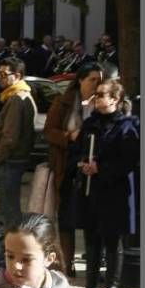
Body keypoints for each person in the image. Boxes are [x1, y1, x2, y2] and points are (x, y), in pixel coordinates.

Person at [69, 78, 139, 288]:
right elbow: (77, 150)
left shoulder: (127, 125)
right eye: (96, 94)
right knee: (91, 241)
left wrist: (101, 168)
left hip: (114, 193)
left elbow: (129, 160)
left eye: (101, 94)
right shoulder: (90, 123)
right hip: (91, 191)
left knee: (112, 242)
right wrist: (82, 164)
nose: (96, 98)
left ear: (115, 99)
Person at [43, 62, 104, 275]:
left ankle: (94, 267)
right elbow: (49, 131)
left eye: (99, 80)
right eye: (92, 80)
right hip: (67, 168)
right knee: (67, 218)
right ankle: (67, 263)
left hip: (94, 170)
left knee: (92, 219)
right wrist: (68, 136)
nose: (97, 84)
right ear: (80, 80)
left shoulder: (102, 104)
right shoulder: (64, 102)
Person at [0, 58, 36, 231]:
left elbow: (10, 138)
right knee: (8, 206)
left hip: (11, 161)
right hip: (14, 160)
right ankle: (7, 249)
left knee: (9, 208)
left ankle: (10, 250)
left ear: (17, 75)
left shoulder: (17, 99)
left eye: (3, 74)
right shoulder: (15, 96)